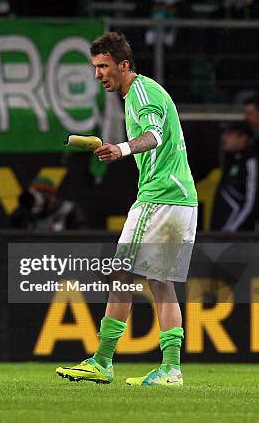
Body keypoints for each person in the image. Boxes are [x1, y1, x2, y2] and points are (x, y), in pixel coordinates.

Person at [56, 32, 198, 386]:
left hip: (159, 198)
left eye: (103, 66)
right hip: (182, 199)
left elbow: (154, 135)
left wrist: (120, 149)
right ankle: (171, 369)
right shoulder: (143, 91)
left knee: (120, 274)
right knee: (160, 283)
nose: (98, 74)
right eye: (95, 67)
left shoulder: (141, 93)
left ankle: (102, 361)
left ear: (123, 65)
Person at [211, 121, 257, 231]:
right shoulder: (229, 160)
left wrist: (231, 231)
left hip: (238, 238)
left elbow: (251, 203)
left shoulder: (251, 162)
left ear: (243, 138)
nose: (224, 138)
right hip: (220, 235)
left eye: (229, 134)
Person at [10, 176, 87, 231]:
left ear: (52, 196)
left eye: (42, 194)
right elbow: (7, 238)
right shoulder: (26, 212)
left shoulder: (68, 210)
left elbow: (83, 240)